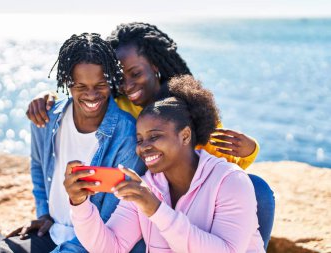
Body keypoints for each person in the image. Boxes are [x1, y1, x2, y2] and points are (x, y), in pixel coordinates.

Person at [26, 22, 274, 250]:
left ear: (154, 67)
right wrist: (51, 99)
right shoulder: (119, 104)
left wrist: (250, 150)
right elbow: (89, 94)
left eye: (135, 73)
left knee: (257, 188)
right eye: (120, 78)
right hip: (156, 197)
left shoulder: (187, 108)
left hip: (195, 200)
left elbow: (219, 165)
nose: (128, 85)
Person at [0, 33, 145, 253]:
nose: (92, 95)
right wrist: (44, 214)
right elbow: (38, 166)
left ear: (111, 80)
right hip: (51, 233)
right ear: (67, 82)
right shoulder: (46, 118)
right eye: (80, 86)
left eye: (100, 84)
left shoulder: (128, 136)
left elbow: (112, 222)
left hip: (91, 243)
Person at [64, 75, 265, 252]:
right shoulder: (146, 187)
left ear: (185, 135)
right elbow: (111, 247)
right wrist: (80, 205)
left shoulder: (230, 181)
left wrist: (157, 211)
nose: (144, 147)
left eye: (155, 137)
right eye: (140, 139)